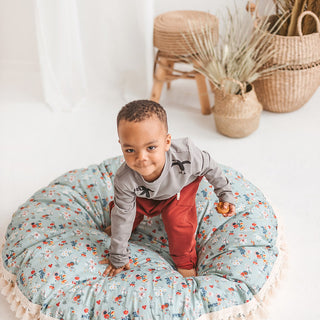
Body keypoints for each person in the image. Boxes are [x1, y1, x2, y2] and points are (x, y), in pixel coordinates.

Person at [99, 100, 235, 278]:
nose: (142, 158)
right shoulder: (125, 179)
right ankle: (131, 224)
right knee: (122, 215)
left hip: (180, 187)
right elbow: (123, 212)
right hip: (146, 193)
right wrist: (117, 256)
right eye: (130, 150)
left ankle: (185, 262)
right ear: (121, 145)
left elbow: (210, 166)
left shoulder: (187, 156)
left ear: (167, 142)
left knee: (177, 220)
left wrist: (225, 194)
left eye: (151, 147)